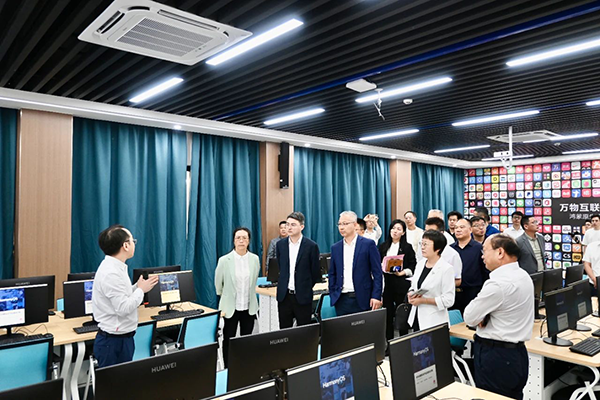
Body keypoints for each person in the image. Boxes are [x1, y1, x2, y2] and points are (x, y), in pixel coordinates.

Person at [464, 234, 533, 400]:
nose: (482, 256)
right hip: (516, 355)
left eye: (485, 250)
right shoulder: (523, 275)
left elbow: (469, 317)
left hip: (496, 357)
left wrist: (483, 315)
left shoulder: (498, 284)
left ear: (500, 252)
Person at [92, 225, 158, 368]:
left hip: (122, 338)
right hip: (113, 341)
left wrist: (137, 287)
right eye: (133, 240)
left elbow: (122, 295)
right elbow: (123, 308)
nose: (134, 244)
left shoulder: (116, 267)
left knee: (123, 380)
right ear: (126, 246)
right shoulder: (111, 273)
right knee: (114, 382)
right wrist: (141, 290)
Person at [215, 227, 260, 367]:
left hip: (249, 306)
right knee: (229, 339)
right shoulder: (224, 260)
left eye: (244, 238)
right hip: (230, 307)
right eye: (238, 238)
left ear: (249, 241)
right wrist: (226, 296)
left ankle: (244, 366)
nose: (241, 241)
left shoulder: (254, 259)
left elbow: (254, 280)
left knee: (246, 340)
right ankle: (228, 368)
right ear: (234, 241)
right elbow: (218, 285)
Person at [329, 211, 383, 316]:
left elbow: (377, 273)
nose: (341, 227)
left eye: (345, 224)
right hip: (341, 299)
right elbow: (332, 273)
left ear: (354, 225)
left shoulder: (368, 244)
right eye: (339, 224)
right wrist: (333, 292)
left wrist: (376, 295)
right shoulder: (336, 247)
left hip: (363, 298)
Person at [276, 212, 321, 328]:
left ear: (302, 227)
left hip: (302, 296)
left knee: (303, 331)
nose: (289, 227)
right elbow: (281, 267)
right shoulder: (280, 245)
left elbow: (315, 272)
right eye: (287, 224)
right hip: (284, 296)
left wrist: (304, 285)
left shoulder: (311, 246)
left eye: (293, 225)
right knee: (284, 331)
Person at [407, 230, 456, 331]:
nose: (422, 247)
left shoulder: (446, 269)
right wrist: (411, 293)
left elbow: (448, 300)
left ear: (437, 249)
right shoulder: (420, 264)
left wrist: (423, 301)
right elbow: (413, 286)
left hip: (434, 320)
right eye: (421, 243)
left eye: (426, 244)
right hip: (416, 316)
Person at [378, 219, 417, 339]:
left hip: (401, 283)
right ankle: (388, 341)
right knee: (388, 314)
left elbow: (413, 265)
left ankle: (403, 339)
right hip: (387, 283)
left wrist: (403, 272)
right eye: (393, 228)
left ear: (403, 232)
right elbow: (377, 263)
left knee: (402, 313)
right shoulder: (383, 246)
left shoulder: (407, 247)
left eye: (399, 229)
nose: (395, 231)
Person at [451, 218, 488, 313]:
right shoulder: (450, 249)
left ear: (470, 229)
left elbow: (485, 271)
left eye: (462, 227)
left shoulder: (479, 248)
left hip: (473, 292)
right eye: (456, 228)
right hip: (453, 292)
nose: (458, 230)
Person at [416, 217, 462, 288]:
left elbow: (458, 280)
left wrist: (438, 286)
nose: (426, 235)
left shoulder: (452, 254)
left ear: (441, 233)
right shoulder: (422, 249)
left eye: (431, 232)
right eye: (425, 231)